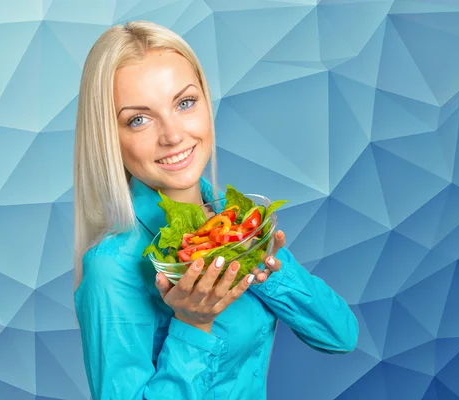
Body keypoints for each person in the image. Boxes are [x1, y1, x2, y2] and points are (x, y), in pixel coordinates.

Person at [73, 20, 359, 400]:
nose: (173, 135)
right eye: (138, 119)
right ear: (110, 137)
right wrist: (193, 324)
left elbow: (339, 335)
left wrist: (264, 265)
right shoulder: (112, 268)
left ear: (207, 103)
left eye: (184, 102)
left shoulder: (233, 220)